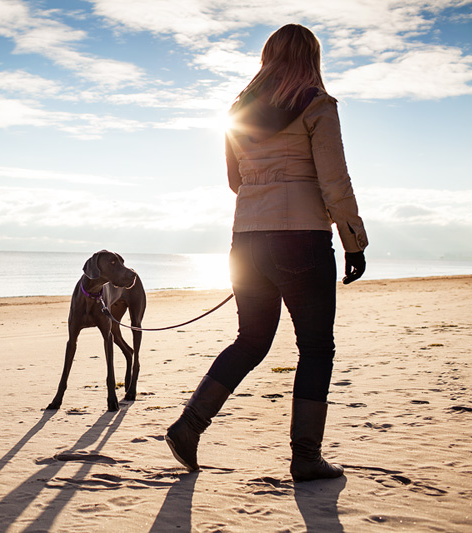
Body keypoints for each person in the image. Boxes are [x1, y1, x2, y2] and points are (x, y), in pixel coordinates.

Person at [166, 24, 368, 482]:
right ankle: (306, 457)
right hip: (300, 237)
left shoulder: (239, 111)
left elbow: (235, 181)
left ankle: (188, 426)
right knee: (316, 346)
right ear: (310, 58)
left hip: (247, 238)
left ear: (268, 58)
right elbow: (335, 180)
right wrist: (353, 239)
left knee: (252, 341)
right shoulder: (318, 104)